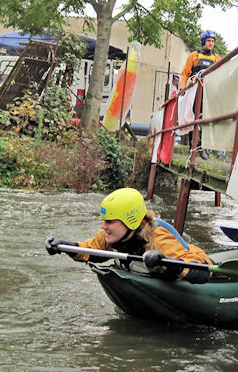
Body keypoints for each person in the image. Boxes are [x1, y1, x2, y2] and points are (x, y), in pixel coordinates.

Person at [45, 188, 212, 283]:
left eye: (110, 222)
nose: (104, 226)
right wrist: (65, 247)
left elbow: (201, 270)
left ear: (130, 221)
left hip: (195, 259)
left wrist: (169, 263)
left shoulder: (158, 238)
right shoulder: (112, 235)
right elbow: (91, 250)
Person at [179, 30, 222, 160]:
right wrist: (182, 88)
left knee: (205, 118)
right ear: (204, 41)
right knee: (192, 118)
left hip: (208, 92)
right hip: (194, 92)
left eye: (213, 41)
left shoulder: (217, 58)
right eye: (208, 41)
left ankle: (202, 147)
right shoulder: (194, 56)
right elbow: (185, 73)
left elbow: (221, 74)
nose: (211, 43)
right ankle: (192, 147)